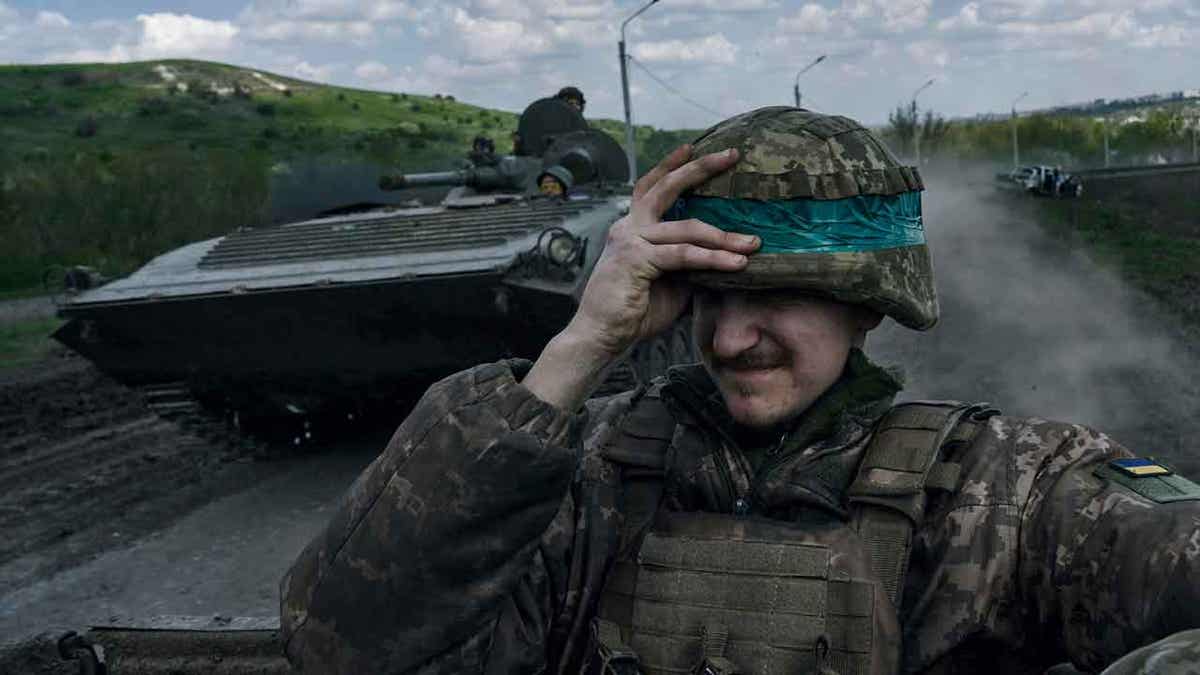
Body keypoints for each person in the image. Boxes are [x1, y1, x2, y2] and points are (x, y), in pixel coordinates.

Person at [279, 107, 1200, 674]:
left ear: (865, 305)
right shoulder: (583, 474)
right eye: (707, 294)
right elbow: (345, 641)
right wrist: (578, 347)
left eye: (779, 296)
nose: (727, 337)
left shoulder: (1005, 492)